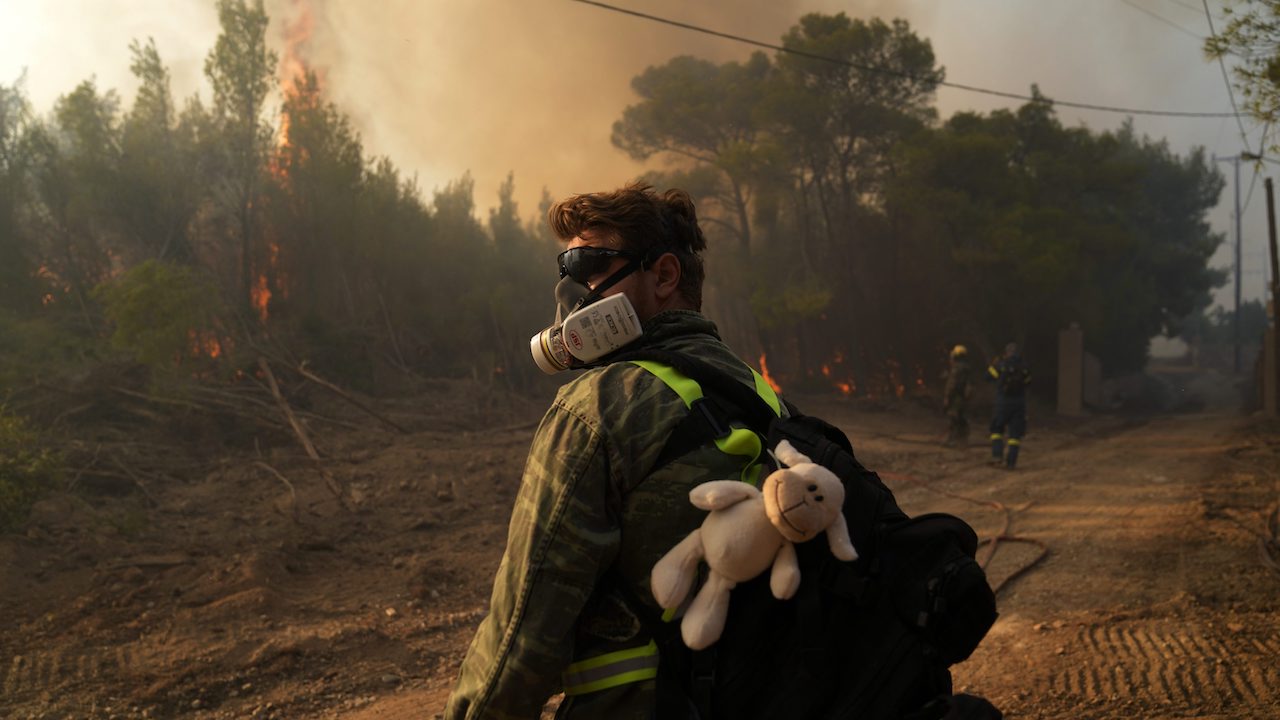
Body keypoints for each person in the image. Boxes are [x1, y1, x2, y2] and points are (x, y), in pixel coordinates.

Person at [444, 183, 775, 719]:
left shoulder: (598, 408)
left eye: (591, 268)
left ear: (664, 276)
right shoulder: (757, 390)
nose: (572, 295)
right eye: (567, 272)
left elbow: (523, 636)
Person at [987, 342, 1031, 469]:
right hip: (1019, 405)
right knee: (1015, 435)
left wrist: (993, 365)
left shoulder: (1001, 365)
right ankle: (1011, 462)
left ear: (1006, 352)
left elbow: (987, 377)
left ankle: (997, 456)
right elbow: (1028, 382)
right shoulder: (1024, 367)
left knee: (996, 429)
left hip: (1003, 403)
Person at [942, 344, 971, 447]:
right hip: (963, 396)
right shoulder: (967, 368)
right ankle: (962, 440)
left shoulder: (956, 369)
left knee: (953, 418)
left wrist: (947, 397)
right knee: (961, 417)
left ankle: (953, 440)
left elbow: (952, 384)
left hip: (956, 397)